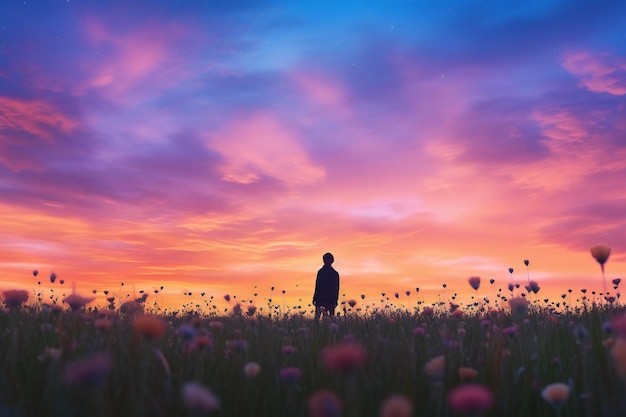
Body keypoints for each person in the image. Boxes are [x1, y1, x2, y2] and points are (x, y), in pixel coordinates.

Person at [313, 252, 340, 319]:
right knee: (331, 318)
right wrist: (335, 300)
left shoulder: (321, 272)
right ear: (332, 261)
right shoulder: (335, 273)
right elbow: (336, 289)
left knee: (317, 319)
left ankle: (317, 329)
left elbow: (317, 286)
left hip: (321, 299)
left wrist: (314, 298)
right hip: (331, 300)